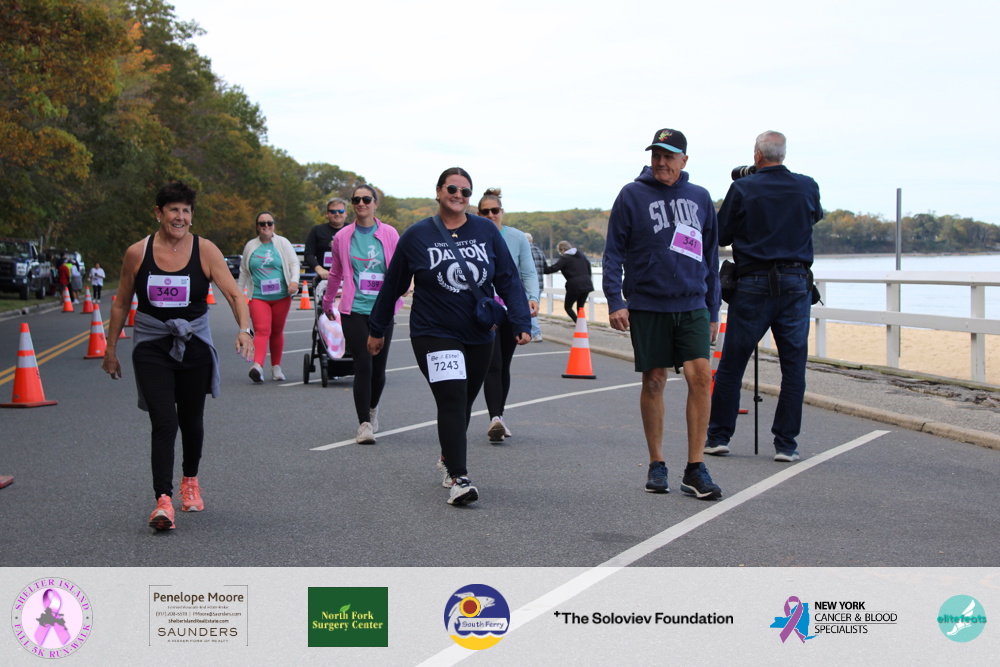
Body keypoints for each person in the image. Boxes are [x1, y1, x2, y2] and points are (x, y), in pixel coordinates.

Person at [367, 168, 531, 506]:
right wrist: (377, 328)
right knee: (453, 398)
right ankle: (459, 477)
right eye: (452, 188)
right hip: (433, 332)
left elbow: (508, 277)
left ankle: (447, 457)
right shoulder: (417, 236)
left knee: (464, 401)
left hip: (479, 333)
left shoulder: (485, 230)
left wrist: (520, 320)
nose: (459, 195)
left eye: (465, 191)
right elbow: (393, 284)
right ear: (439, 191)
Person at [102, 181, 254, 531]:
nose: (180, 217)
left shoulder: (206, 250)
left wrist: (244, 330)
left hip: (194, 345)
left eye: (186, 210)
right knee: (164, 421)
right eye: (173, 210)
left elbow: (234, 295)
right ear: (158, 213)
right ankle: (163, 500)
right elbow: (121, 303)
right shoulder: (137, 253)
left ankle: (190, 480)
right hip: (152, 345)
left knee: (191, 420)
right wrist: (110, 350)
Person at [603, 128, 722, 500]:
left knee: (700, 376)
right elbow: (613, 252)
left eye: (669, 156)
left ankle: (695, 467)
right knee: (654, 381)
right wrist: (615, 300)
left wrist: (714, 309)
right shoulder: (632, 195)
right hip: (648, 303)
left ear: (684, 160)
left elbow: (711, 258)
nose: (661, 162)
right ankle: (657, 463)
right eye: (656, 154)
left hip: (692, 303)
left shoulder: (700, 197)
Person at [705, 131, 823, 463]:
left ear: (757, 155)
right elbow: (814, 216)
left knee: (733, 364)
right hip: (796, 281)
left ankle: (718, 437)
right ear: (783, 155)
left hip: (753, 280)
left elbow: (721, 234)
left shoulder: (743, 187)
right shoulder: (807, 186)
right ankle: (786, 444)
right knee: (793, 367)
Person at [321, 185, 403, 444]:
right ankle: (364, 424)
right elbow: (336, 272)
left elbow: (399, 268)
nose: (361, 203)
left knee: (378, 369)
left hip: (382, 309)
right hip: (354, 309)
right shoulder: (343, 237)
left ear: (375, 203)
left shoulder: (389, 233)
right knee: (363, 364)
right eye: (356, 200)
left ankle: (373, 409)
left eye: (366, 199)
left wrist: (404, 288)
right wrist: (327, 301)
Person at [478, 188, 539, 442]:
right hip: (485, 311)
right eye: (485, 212)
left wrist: (533, 297)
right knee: (492, 364)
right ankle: (495, 417)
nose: (490, 215)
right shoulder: (474, 236)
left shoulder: (516, 237)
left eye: (495, 211)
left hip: (511, 308)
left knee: (504, 364)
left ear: (502, 212)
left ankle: (500, 417)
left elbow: (528, 271)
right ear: (478, 214)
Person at [239, 211, 300, 383]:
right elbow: (244, 271)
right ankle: (257, 366)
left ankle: (276, 367)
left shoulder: (282, 243)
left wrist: (294, 282)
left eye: (269, 223)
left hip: (281, 296)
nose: (266, 226)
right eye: (262, 223)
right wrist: (238, 293)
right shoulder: (251, 246)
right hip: (259, 296)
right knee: (262, 330)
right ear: (257, 227)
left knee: (277, 331)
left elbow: (294, 264)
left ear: (273, 225)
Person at [544, 240, 594, 322]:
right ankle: (582, 325)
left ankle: (578, 323)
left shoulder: (565, 258)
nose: (561, 253)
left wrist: (543, 268)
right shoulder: (581, 255)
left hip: (575, 286)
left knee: (568, 307)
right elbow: (589, 268)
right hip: (587, 284)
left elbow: (553, 268)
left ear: (563, 249)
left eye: (560, 251)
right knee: (580, 307)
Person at [304, 197, 348, 288]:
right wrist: (319, 269)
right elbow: (308, 254)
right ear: (327, 214)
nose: (337, 214)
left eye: (340, 211)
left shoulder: (353, 230)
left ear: (346, 213)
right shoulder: (317, 230)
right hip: (324, 280)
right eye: (333, 211)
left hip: (348, 280)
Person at [525, 232, 547, 342]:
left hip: (527, 285)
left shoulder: (524, 251)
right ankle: (532, 332)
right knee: (534, 308)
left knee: (529, 310)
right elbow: (545, 267)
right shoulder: (539, 251)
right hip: (539, 284)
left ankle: (536, 333)